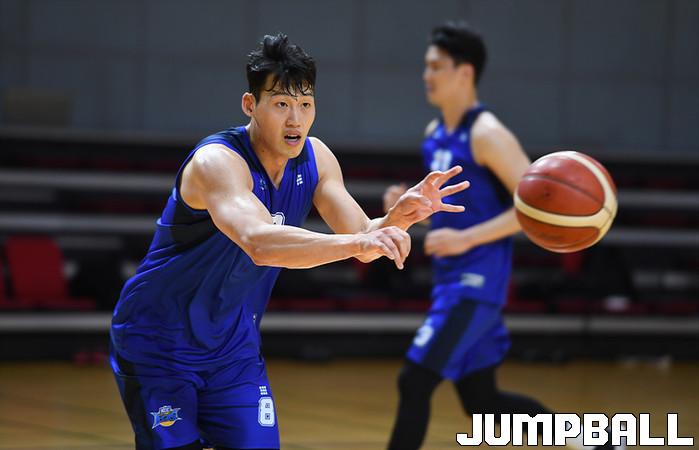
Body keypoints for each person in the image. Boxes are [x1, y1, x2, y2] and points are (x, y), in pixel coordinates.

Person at [110, 33, 468, 450]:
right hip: (159, 342)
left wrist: (397, 219)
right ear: (250, 105)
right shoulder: (217, 162)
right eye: (281, 104)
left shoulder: (317, 159)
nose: (295, 119)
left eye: (305, 104)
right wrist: (359, 242)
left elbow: (362, 234)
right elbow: (259, 243)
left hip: (232, 350)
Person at [383, 22, 623, 450]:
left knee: (414, 381)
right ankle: (598, 442)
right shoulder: (434, 134)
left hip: (476, 285)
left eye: (436, 66)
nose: (426, 75)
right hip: (450, 282)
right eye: (426, 66)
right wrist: (412, 210)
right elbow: (456, 212)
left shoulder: (488, 134)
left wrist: (467, 239)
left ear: (465, 72)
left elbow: (533, 212)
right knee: (483, 401)